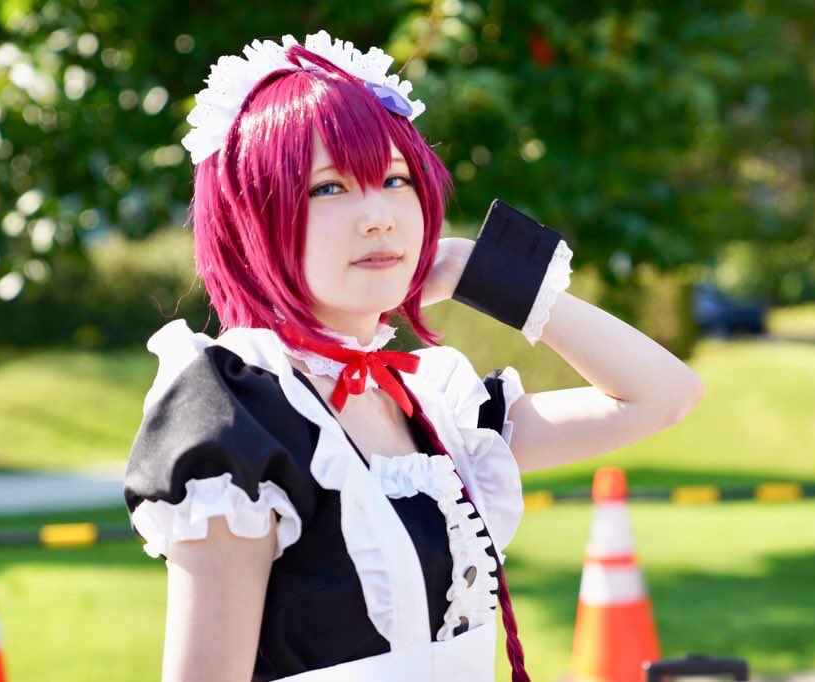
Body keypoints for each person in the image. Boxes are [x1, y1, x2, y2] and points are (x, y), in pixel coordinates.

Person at [122, 31, 704, 682]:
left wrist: (486, 274)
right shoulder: (239, 413)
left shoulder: (433, 404)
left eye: (395, 179)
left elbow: (662, 395)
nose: (379, 217)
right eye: (329, 188)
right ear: (252, 217)